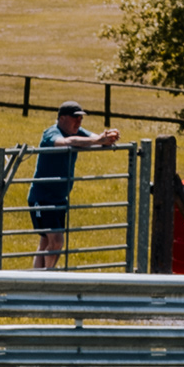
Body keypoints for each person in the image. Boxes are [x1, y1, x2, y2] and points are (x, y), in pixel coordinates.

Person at [28, 101, 122, 270]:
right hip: (43, 198)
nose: (78, 122)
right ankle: (47, 277)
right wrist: (99, 139)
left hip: (58, 198)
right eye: (75, 118)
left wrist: (108, 138)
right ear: (62, 118)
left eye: (80, 118)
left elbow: (96, 139)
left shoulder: (77, 131)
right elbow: (67, 142)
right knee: (56, 241)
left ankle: (37, 278)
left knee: (46, 242)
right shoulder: (51, 133)